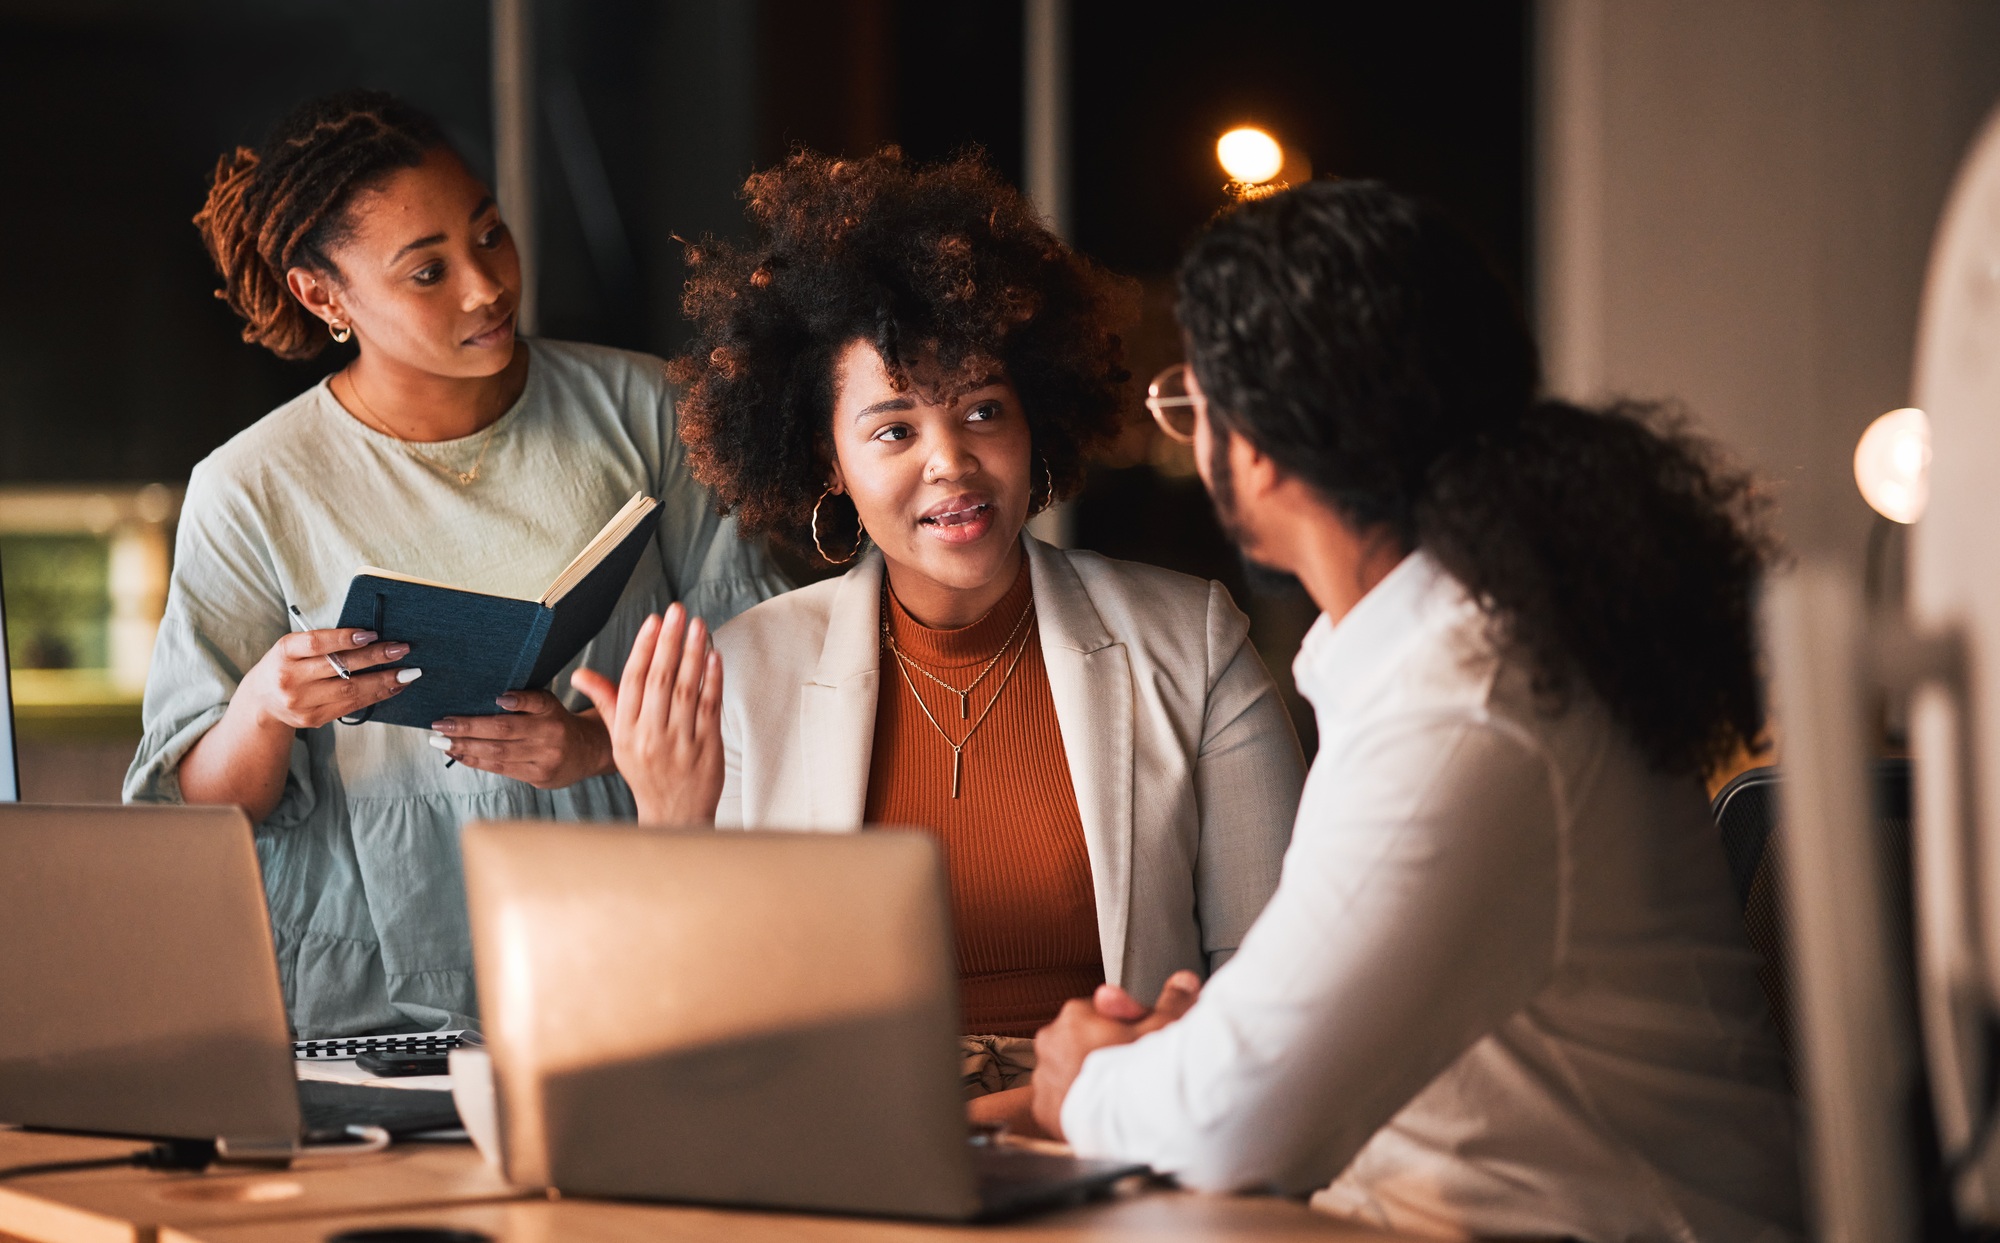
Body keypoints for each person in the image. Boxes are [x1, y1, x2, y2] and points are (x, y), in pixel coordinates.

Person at [1028, 181, 1803, 1241]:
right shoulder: (1464, 646)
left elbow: (1230, 1125)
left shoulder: (1465, 707)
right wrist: (1208, 1046)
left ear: (1252, 444)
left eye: (1190, 401)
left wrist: (1084, 1080)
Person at [572, 148, 1303, 1123]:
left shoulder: (1192, 642)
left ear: (1034, 422)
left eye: (982, 412)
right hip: (847, 1166)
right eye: (893, 430)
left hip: (1116, 1148)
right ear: (826, 460)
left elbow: (1271, 992)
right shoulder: (749, 670)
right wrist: (671, 826)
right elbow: (697, 1045)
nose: (951, 463)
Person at [125, 91, 786, 1037]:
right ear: (324, 295)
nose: (486, 286)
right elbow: (193, 812)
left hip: (616, 935)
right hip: (360, 986)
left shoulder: (652, 412)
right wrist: (264, 705)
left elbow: (766, 675)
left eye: (491, 235)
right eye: (428, 271)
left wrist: (594, 747)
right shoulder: (250, 486)